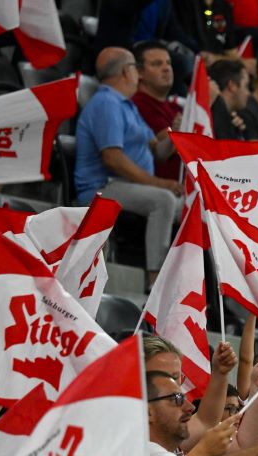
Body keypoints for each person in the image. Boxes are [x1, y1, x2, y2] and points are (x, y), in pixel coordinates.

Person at [75, 47, 183, 283]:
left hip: (127, 186)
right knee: (163, 199)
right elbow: (113, 159)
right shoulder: (107, 103)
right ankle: (155, 281)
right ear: (127, 71)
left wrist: (177, 132)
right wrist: (160, 183)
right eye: (135, 67)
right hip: (104, 187)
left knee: (193, 206)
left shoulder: (127, 105)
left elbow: (159, 151)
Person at [129, 40, 183, 180]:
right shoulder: (137, 104)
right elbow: (161, 147)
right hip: (164, 187)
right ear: (139, 72)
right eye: (157, 64)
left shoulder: (175, 107)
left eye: (168, 63)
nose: (166, 68)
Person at [209, 57, 250, 141]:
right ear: (232, 86)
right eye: (246, 86)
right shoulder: (213, 120)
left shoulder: (234, 123)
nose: (248, 93)